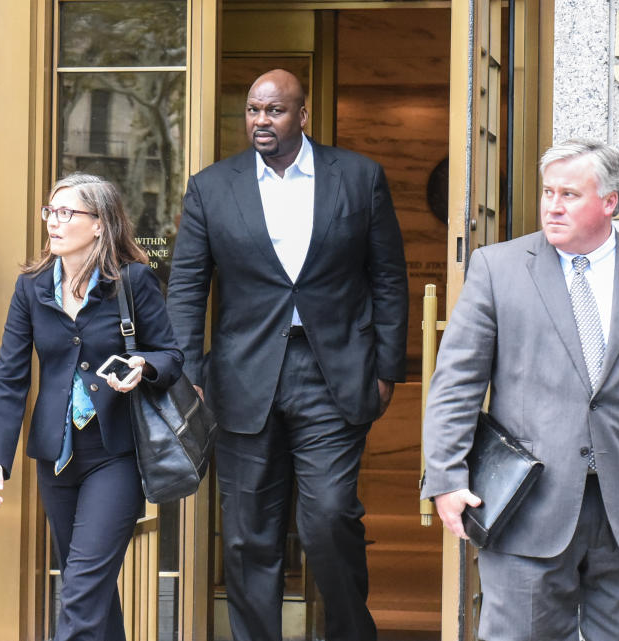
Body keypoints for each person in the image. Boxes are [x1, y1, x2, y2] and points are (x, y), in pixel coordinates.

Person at [421, 139, 619, 641]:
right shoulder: (498, 269)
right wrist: (448, 476)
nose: (552, 205)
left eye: (569, 193)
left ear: (609, 202)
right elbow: (457, 382)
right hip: (525, 507)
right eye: (547, 192)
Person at [166, 69, 408, 641]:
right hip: (242, 376)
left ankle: (351, 632)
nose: (260, 122)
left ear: (302, 115)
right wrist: (190, 373)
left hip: (333, 373)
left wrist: (386, 369)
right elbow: (186, 286)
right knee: (250, 533)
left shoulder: (358, 177)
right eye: (252, 110)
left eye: (273, 111)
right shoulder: (211, 188)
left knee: (327, 520)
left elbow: (388, 279)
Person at [0, 173, 183, 640]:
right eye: (51, 211)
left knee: (81, 592)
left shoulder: (132, 282)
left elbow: (170, 355)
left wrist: (141, 367)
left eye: (68, 212)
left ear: (99, 225)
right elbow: (10, 375)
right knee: (89, 589)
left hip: (116, 456)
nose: (54, 221)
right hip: (57, 457)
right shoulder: (32, 287)